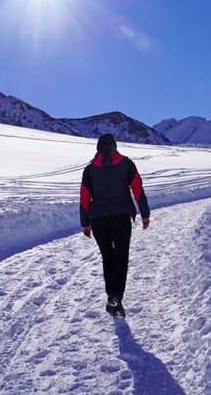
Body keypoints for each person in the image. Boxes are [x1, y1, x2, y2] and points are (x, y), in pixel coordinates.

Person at [80, 133, 150, 317]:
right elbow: (138, 189)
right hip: (121, 218)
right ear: (114, 146)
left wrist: (85, 223)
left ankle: (111, 296)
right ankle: (116, 296)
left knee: (107, 257)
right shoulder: (126, 164)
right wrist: (145, 213)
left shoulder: (89, 170)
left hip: (98, 220)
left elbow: (85, 198)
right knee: (121, 256)